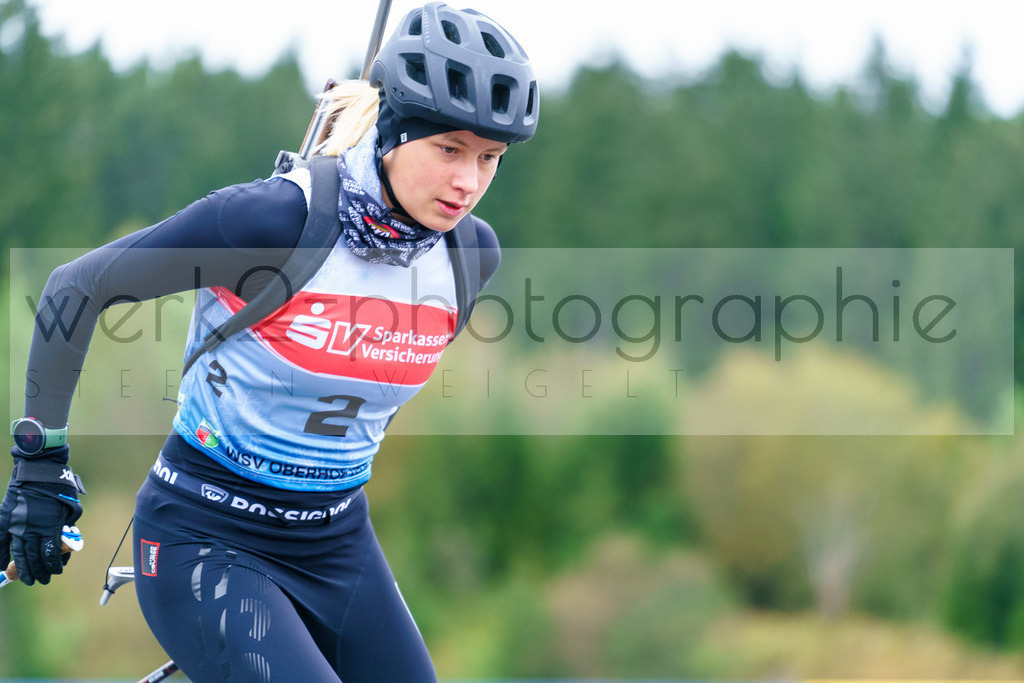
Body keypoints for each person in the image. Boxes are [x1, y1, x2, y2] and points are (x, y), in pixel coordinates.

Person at [0, 2, 538, 680]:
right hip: (205, 537)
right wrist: (39, 465)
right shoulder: (275, 222)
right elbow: (75, 288)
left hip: (337, 543)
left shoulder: (467, 258)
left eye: (490, 158)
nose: (468, 182)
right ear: (394, 129)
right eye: (449, 149)